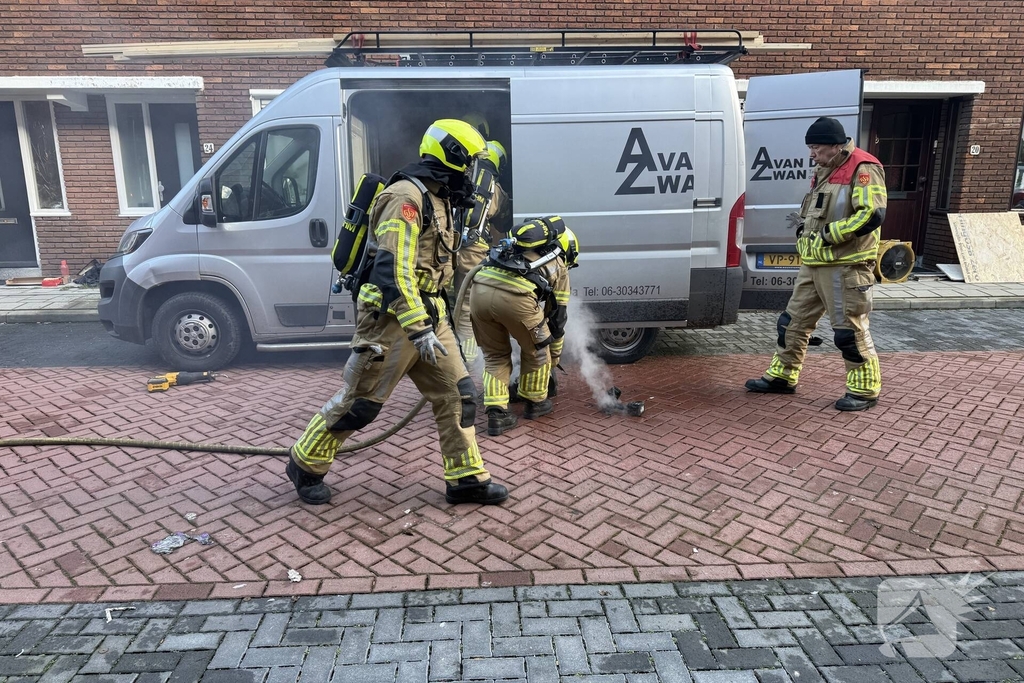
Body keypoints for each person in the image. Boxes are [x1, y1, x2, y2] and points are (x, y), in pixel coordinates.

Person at [286, 119, 510, 506]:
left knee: (459, 395)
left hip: (429, 315)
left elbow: (444, 262)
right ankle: (305, 462)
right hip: (391, 320)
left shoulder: (441, 198)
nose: (473, 173)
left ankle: (466, 480)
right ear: (452, 156)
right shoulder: (405, 197)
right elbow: (394, 268)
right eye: (470, 163)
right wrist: (418, 327)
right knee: (362, 403)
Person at [746, 116, 887, 411]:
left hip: (846, 264)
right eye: (810, 147)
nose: (811, 153)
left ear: (835, 146)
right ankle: (782, 377)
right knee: (792, 323)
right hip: (814, 262)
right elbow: (816, 209)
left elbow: (871, 215)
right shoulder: (825, 168)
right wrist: (803, 231)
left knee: (849, 331)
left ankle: (864, 390)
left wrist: (827, 235)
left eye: (815, 147)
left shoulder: (863, 168)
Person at [470, 218, 577, 435]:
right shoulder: (558, 263)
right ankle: (535, 403)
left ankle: (497, 414)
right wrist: (553, 355)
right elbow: (557, 319)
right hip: (514, 299)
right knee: (538, 352)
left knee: (495, 355)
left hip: (478, 294)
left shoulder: (508, 251)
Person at [453, 140, 510, 365]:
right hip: (473, 252)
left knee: (448, 303)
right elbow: (503, 220)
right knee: (467, 308)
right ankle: (466, 363)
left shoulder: (459, 176)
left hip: (449, 249)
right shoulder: (493, 189)